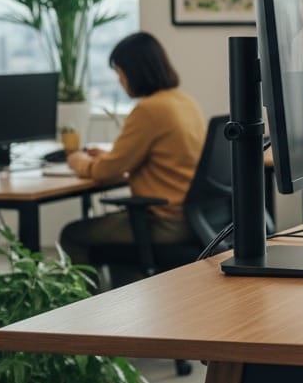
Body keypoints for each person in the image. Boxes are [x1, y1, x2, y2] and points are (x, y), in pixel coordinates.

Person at [60, 32, 206, 277]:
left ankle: (89, 302)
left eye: (119, 72)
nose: (119, 80)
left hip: (164, 223)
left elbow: (106, 172)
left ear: (134, 72)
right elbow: (158, 159)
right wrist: (109, 155)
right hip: (195, 218)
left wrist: (78, 160)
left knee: (72, 235)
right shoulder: (183, 102)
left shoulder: (149, 109)